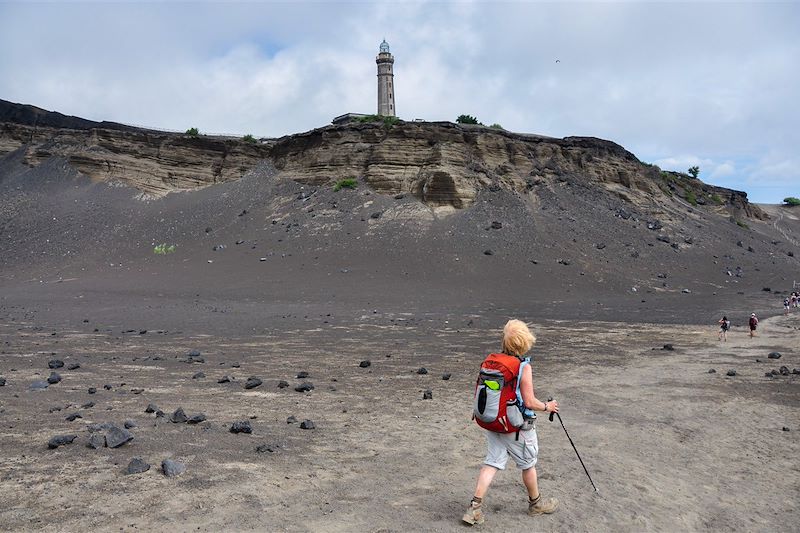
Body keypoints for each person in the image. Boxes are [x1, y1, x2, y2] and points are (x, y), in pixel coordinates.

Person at [463, 319, 559, 525]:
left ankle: (474, 508)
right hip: (515, 426)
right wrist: (548, 407)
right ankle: (536, 504)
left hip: (493, 420)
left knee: (492, 462)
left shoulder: (491, 361)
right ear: (525, 341)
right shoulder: (523, 367)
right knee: (528, 464)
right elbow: (530, 402)